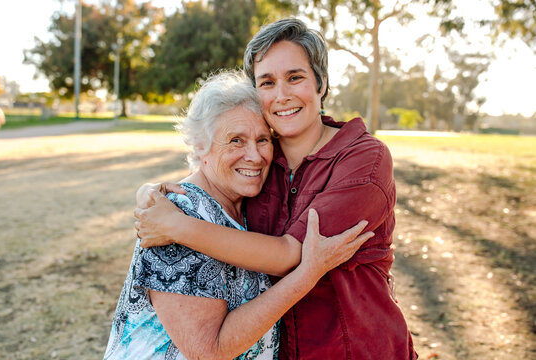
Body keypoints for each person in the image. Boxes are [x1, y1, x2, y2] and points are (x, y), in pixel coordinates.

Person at [135, 19, 417, 359]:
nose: (281, 95)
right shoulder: (262, 162)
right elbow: (210, 175)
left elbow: (289, 256)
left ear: (321, 83)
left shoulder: (363, 159)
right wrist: (152, 195)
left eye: (295, 77)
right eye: (267, 82)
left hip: (356, 350)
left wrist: (178, 226)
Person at [105, 71, 373, 359]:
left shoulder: (250, 207)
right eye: (236, 140)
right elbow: (209, 350)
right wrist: (307, 274)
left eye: (262, 140)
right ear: (199, 145)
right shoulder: (175, 217)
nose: (255, 156)